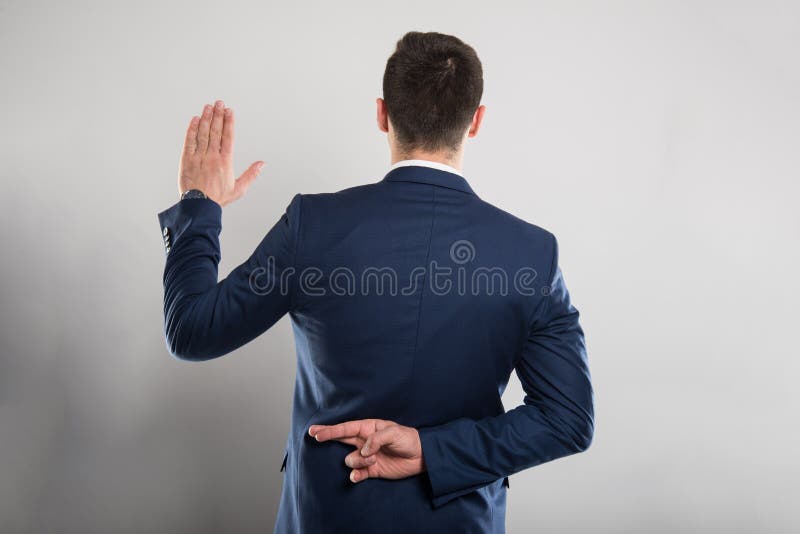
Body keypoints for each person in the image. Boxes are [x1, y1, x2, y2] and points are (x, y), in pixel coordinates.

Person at [157, 31, 594, 534]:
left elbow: (191, 330)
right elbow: (567, 419)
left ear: (382, 114)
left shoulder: (313, 224)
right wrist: (433, 451)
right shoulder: (532, 254)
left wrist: (200, 205)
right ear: (475, 122)